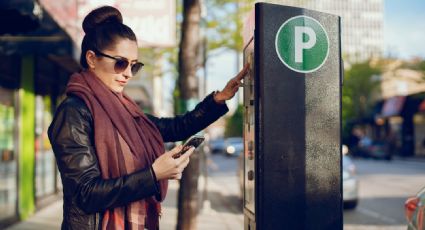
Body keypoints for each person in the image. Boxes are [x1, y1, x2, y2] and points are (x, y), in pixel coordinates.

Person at [48, 6, 249, 230]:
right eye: (120, 62)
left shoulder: (126, 110)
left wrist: (218, 99)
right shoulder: (73, 113)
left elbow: (175, 128)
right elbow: (86, 194)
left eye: (134, 66)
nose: (127, 73)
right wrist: (153, 175)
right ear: (92, 59)